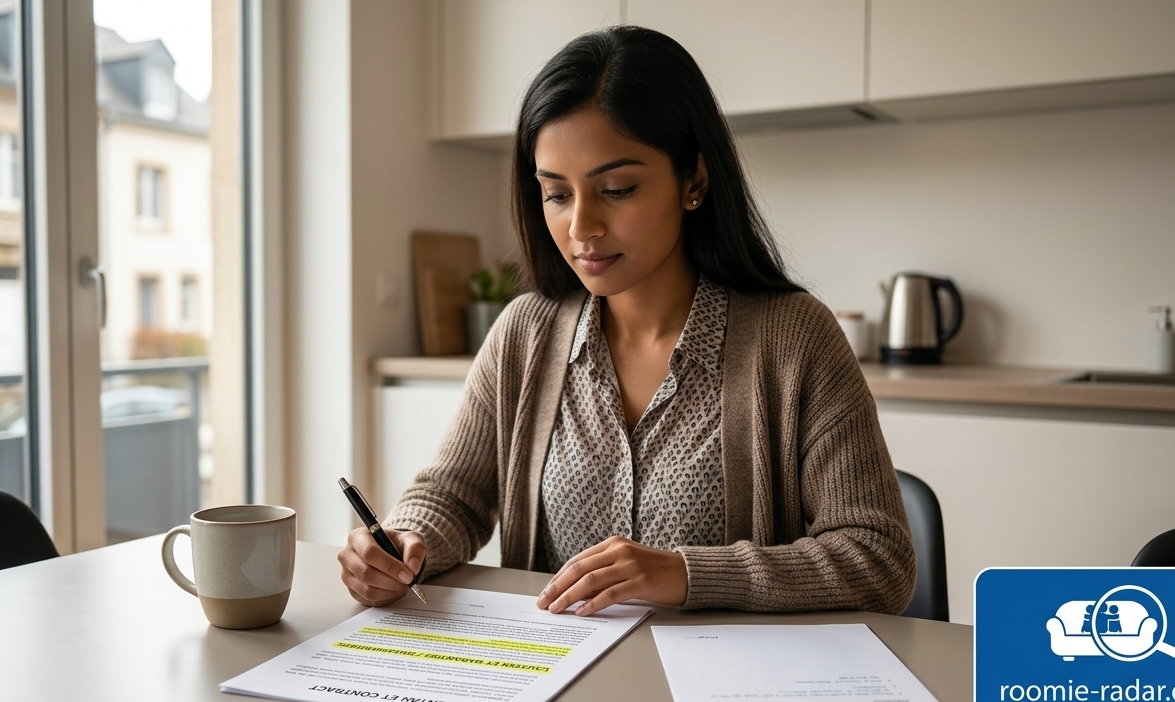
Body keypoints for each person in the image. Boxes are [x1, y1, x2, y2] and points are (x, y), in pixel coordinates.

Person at [339, 26, 915, 617]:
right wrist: (405, 542)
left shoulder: (794, 338)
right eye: (556, 195)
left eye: (616, 188)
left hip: (722, 697)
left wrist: (687, 574)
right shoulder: (525, 334)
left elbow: (879, 558)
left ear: (693, 181)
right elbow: (452, 496)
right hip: (551, 688)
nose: (581, 226)